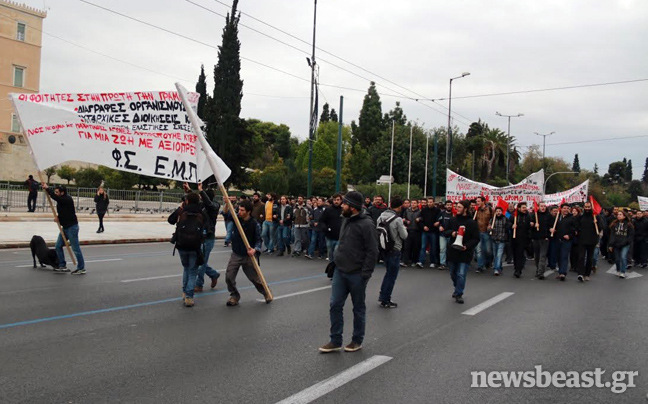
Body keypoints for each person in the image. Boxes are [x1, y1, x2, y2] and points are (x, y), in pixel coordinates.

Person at [319, 191, 378, 353]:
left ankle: (356, 340)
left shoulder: (367, 225)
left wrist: (365, 274)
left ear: (352, 207)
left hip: (357, 273)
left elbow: (373, 251)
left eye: (344, 203)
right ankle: (335, 340)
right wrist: (336, 260)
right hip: (340, 270)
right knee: (335, 304)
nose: (341, 205)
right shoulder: (345, 219)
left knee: (358, 308)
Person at [225, 199, 272, 305]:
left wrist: (255, 249)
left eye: (242, 210)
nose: (239, 212)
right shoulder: (236, 219)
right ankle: (234, 296)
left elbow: (259, 240)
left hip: (248, 256)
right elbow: (227, 214)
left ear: (248, 212)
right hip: (236, 253)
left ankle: (266, 292)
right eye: (239, 210)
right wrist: (228, 204)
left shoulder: (255, 224)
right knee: (229, 277)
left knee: (255, 279)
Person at [168, 191, 206, 307]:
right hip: (195, 246)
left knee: (186, 268)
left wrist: (180, 208)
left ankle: (185, 292)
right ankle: (189, 297)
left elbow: (170, 220)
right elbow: (205, 228)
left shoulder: (182, 210)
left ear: (187, 201)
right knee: (192, 271)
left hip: (181, 245)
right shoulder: (201, 212)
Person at [41, 183, 85, 274]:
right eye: (55, 191)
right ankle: (62, 265)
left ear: (62, 192)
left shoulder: (67, 199)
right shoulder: (60, 201)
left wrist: (47, 189)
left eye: (57, 192)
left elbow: (56, 198)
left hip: (72, 227)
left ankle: (81, 268)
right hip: (64, 227)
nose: (55, 193)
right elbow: (64, 212)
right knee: (58, 246)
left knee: (75, 248)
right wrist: (58, 218)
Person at [444, 200, 479, 304]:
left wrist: (467, 246)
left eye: (459, 207)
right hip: (453, 251)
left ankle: (459, 293)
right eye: (457, 207)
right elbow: (445, 232)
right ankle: (457, 287)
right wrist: (452, 233)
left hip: (465, 252)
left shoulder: (472, 223)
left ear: (465, 209)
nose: (457, 209)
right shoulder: (452, 220)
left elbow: (476, 238)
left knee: (461, 274)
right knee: (453, 273)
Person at [377, 196, 408, 308]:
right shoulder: (398, 219)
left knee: (388, 273)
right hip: (395, 248)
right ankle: (385, 299)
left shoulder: (381, 217)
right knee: (391, 275)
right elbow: (404, 236)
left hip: (384, 248)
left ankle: (383, 296)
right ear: (400, 206)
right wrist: (403, 227)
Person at [193, 183, 221, 293]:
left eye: (202, 196)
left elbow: (209, 204)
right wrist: (189, 190)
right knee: (199, 260)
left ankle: (199, 284)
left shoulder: (214, 205)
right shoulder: (201, 206)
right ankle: (213, 274)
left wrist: (201, 191)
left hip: (208, 237)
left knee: (202, 262)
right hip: (200, 236)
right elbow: (193, 200)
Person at [576, 201, 602, 282]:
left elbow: (601, 228)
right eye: (586, 207)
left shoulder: (596, 217)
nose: (587, 209)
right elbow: (577, 227)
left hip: (592, 240)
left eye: (588, 207)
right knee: (581, 257)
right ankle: (580, 273)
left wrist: (596, 224)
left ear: (591, 207)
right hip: (582, 240)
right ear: (583, 207)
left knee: (589, 258)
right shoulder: (580, 217)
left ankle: (587, 274)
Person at [551, 203, 577, 281]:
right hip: (557, 240)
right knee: (558, 256)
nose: (566, 210)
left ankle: (563, 273)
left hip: (566, 241)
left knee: (564, 256)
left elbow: (575, 230)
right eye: (564, 208)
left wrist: (569, 236)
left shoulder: (572, 218)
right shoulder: (557, 217)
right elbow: (553, 226)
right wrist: (551, 230)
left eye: (567, 208)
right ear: (561, 209)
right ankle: (560, 272)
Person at [609, 210, 634, 279]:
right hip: (616, 244)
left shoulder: (629, 225)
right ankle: (618, 270)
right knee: (617, 259)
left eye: (620, 214)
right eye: (618, 214)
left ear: (624, 216)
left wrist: (626, 242)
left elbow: (631, 235)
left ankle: (623, 272)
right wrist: (611, 244)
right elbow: (612, 235)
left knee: (623, 257)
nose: (618, 216)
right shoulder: (614, 224)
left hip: (625, 244)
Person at [509, 202, 531, 278]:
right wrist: (512, 226)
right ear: (519, 208)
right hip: (514, 238)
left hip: (524, 238)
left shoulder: (528, 216)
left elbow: (530, 227)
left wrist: (531, 225)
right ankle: (516, 267)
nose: (525, 209)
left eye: (525, 207)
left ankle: (518, 270)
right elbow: (508, 224)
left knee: (520, 254)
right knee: (515, 254)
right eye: (523, 207)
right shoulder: (514, 216)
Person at [530, 202, 551, 279]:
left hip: (544, 238)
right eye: (541, 206)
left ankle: (540, 272)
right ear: (538, 207)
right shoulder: (533, 215)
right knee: (537, 256)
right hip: (536, 238)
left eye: (544, 206)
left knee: (543, 256)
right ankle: (538, 269)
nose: (543, 208)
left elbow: (551, 226)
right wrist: (533, 225)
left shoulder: (548, 216)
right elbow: (530, 227)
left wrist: (549, 234)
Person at [319, 193, 343, 262]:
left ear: (341, 200)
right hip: (329, 236)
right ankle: (332, 267)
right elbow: (322, 220)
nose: (336, 201)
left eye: (338, 200)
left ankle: (337, 266)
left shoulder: (343, 210)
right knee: (330, 253)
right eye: (335, 200)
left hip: (340, 237)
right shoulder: (328, 210)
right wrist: (325, 228)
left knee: (336, 252)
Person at [417, 197, 440, 268]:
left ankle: (433, 261)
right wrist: (423, 226)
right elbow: (420, 220)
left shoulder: (437, 210)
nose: (430, 203)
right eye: (429, 202)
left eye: (431, 202)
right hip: (425, 231)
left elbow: (440, 219)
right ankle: (421, 261)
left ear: (434, 202)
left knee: (433, 247)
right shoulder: (423, 210)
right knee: (423, 247)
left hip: (433, 231)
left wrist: (438, 222)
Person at [473, 196, 493, 273]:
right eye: (476, 201)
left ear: (483, 202)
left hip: (486, 232)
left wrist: (490, 224)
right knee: (479, 250)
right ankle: (480, 266)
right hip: (478, 231)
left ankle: (488, 261)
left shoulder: (490, 209)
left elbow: (493, 218)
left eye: (478, 201)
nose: (477, 203)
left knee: (488, 250)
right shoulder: (476, 210)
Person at [489, 206, 508, 276]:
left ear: (502, 212)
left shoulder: (505, 219)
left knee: (499, 255)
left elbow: (508, 227)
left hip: (502, 239)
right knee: (495, 255)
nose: (498, 213)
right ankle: (499, 266)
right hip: (494, 239)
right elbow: (489, 228)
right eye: (497, 211)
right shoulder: (492, 219)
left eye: (499, 211)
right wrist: (489, 228)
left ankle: (496, 269)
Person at [402, 199, 421, 267]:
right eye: (412, 203)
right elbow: (404, 218)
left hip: (417, 231)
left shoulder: (419, 211)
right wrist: (406, 221)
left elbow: (423, 218)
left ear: (417, 204)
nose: (413, 204)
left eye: (414, 203)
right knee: (406, 247)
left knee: (415, 247)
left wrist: (420, 219)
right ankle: (404, 261)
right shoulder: (407, 211)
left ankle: (414, 261)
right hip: (408, 230)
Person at [437, 200, 454, 270]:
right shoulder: (442, 214)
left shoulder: (454, 214)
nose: (449, 206)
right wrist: (439, 226)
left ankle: (450, 263)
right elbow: (438, 222)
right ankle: (442, 263)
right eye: (448, 205)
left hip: (451, 235)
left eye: (450, 205)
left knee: (451, 250)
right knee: (442, 249)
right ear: (445, 206)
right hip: (442, 235)